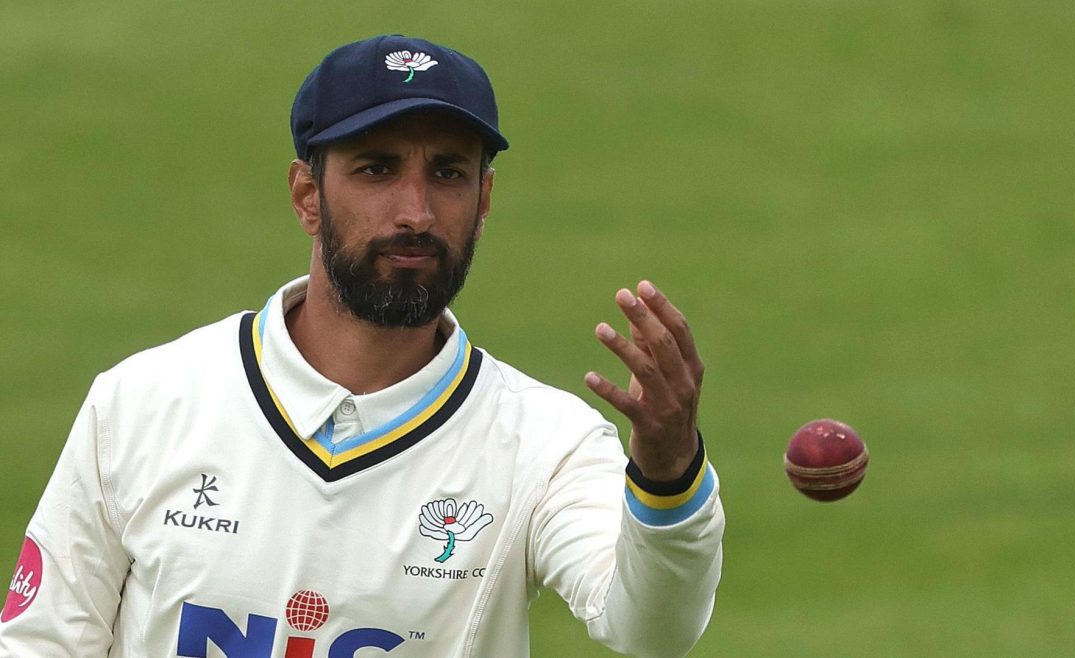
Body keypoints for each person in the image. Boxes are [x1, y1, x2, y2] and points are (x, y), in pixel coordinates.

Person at [0, 34, 723, 657]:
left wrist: (667, 474)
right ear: (306, 195)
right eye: (376, 169)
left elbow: (649, 630)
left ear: (485, 200)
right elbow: (41, 641)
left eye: (449, 172)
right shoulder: (145, 402)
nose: (415, 211)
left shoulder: (544, 444)